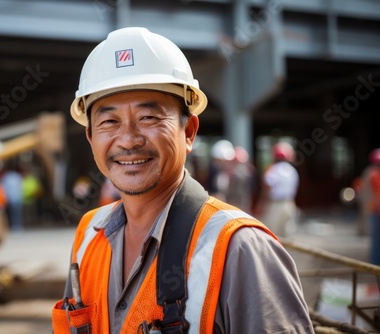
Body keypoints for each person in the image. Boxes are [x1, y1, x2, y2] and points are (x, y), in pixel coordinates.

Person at [52, 27, 313, 333]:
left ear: (188, 133)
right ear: (90, 137)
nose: (128, 140)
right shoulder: (88, 235)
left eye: (148, 117)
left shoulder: (239, 249)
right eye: (109, 121)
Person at [257, 142, 300, 238]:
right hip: (289, 203)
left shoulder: (273, 169)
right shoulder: (292, 170)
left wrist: (262, 204)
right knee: (287, 234)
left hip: (275, 205)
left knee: (272, 234)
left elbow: (267, 188)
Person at [360, 148, 380, 265]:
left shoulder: (368, 172)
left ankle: (375, 260)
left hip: (372, 209)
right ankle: (376, 262)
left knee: (375, 237)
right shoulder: (374, 174)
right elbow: (376, 195)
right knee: (376, 238)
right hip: (375, 210)